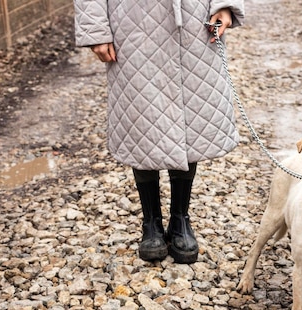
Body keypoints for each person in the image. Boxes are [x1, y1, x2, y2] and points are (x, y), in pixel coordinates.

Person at [73, 1, 245, 264]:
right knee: (141, 120)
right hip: (131, 24)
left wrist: (226, 4)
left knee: (191, 117)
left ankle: (180, 219)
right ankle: (150, 223)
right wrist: (95, 29)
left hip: (193, 23)